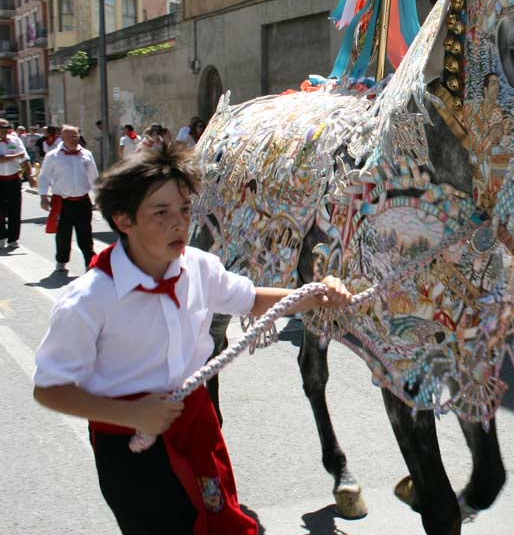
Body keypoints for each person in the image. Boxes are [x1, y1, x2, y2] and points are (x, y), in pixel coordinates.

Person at [32, 144, 352, 535]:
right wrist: (132, 415)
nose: (179, 223)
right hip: (130, 444)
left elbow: (251, 299)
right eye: (161, 213)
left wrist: (315, 294)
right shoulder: (88, 300)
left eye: (184, 210)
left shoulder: (200, 268)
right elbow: (49, 389)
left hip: (196, 426)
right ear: (123, 220)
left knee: (221, 522)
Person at [37, 125, 99, 271]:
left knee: (85, 234)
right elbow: (44, 176)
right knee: (63, 235)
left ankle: (90, 263)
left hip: (82, 201)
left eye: (76, 136)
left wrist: (99, 198)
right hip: (62, 202)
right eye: (71, 137)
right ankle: (61, 260)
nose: (74, 139)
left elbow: (94, 177)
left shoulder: (86, 154)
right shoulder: (53, 156)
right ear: (62, 138)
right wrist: (43, 196)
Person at [0, 119, 37, 249]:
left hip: (13, 179)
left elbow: (25, 158)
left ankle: (13, 239)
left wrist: (30, 176)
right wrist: (16, 155)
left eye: (7, 127)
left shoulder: (15, 140)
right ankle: (1, 235)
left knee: (14, 210)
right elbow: (1, 159)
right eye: (1, 127)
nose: (4, 130)